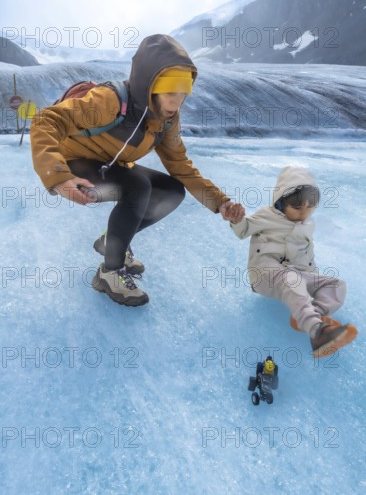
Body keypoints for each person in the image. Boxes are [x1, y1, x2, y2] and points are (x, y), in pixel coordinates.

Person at [30, 34, 242, 306]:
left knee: (172, 190)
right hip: (73, 165)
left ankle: (113, 242)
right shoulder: (109, 101)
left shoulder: (167, 120)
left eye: (183, 92)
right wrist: (58, 177)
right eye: (170, 92)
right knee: (137, 186)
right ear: (149, 86)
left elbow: (180, 165)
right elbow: (46, 120)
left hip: (109, 166)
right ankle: (109, 272)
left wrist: (220, 202)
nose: (176, 103)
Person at [222, 166, 358, 358]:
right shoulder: (268, 215)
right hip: (265, 274)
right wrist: (236, 220)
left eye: (310, 207)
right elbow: (243, 229)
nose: (304, 212)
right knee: (291, 278)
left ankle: (311, 313)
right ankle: (317, 333)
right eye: (297, 207)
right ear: (281, 202)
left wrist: (314, 281)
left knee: (335, 285)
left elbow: (308, 258)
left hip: (293, 275)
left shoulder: (307, 226)